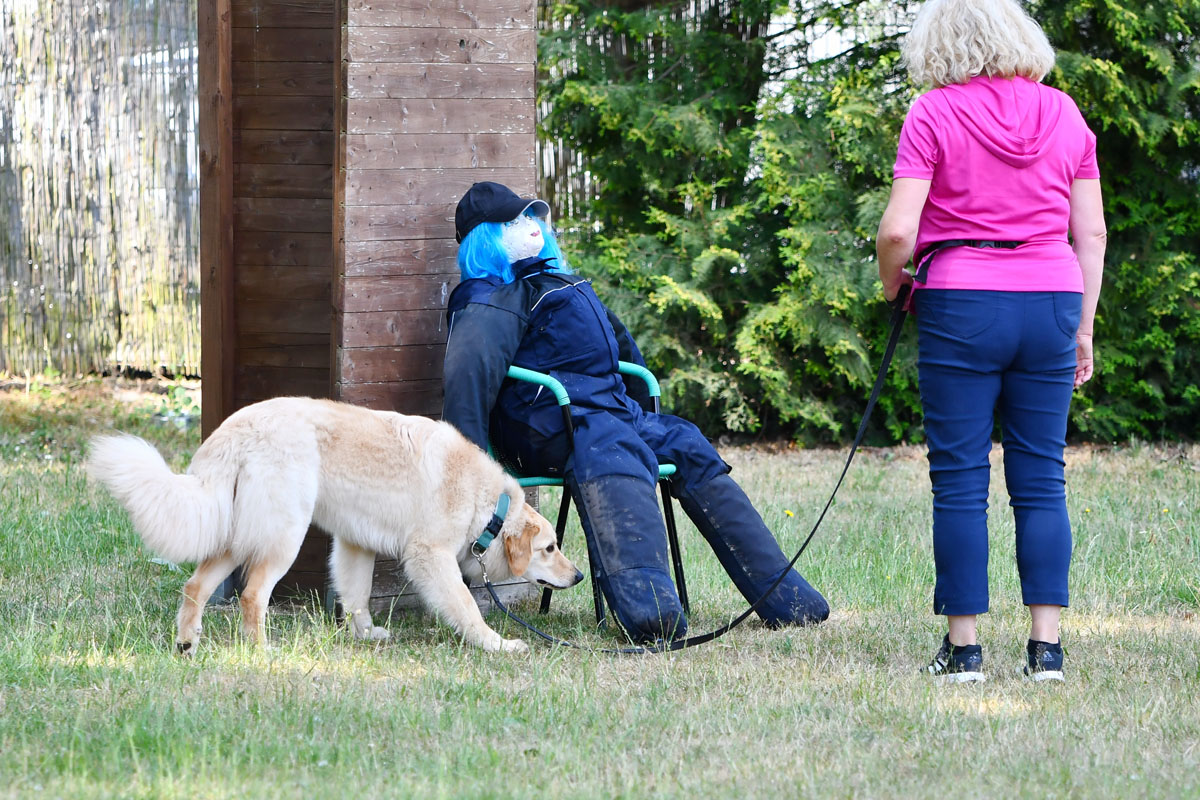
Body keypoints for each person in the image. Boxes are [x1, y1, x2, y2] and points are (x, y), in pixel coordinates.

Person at [441, 181, 829, 643]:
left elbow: (623, 350)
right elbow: (469, 377)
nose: (528, 227)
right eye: (512, 221)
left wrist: (643, 419)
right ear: (486, 239)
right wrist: (471, 471)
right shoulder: (491, 300)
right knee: (615, 449)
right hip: (550, 428)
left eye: (529, 217)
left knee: (684, 441)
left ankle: (790, 603)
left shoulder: (561, 284)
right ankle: (652, 616)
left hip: (607, 414)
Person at [876, 0, 1106, 682]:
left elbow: (897, 232)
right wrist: (1085, 325)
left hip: (963, 300)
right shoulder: (1064, 113)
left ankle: (966, 650)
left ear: (940, 44)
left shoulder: (933, 112)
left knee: (960, 482)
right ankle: (1047, 652)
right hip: (1053, 298)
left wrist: (893, 285)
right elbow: (1089, 234)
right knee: (1041, 480)